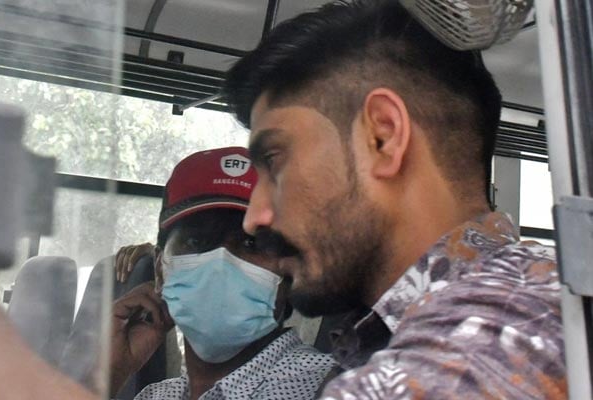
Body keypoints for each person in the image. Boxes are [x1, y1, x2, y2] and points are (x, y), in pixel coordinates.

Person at [222, 0, 566, 398]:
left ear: (382, 138)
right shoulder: (540, 296)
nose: (254, 216)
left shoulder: (468, 358)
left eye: (274, 160)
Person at [108, 146, 336, 399]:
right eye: (196, 241)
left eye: (252, 244)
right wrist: (109, 374)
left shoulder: (332, 387)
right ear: (161, 270)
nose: (220, 265)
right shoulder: (156, 396)